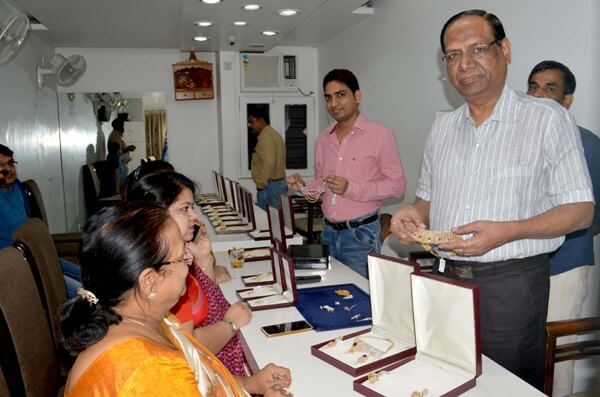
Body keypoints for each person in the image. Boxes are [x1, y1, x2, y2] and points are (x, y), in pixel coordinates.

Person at [390, 10, 594, 389]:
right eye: (452, 55)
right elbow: (426, 201)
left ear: (505, 50)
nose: (464, 64)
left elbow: (581, 211)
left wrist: (509, 231)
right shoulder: (443, 128)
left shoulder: (547, 119)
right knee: (447, 379)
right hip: (447, 280)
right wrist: (411, 214)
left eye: (477, 49)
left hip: (513, 287)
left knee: (508, 387)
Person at [59, 202, 292, 396]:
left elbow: (205, 383)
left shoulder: (148, 320)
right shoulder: (150, 371)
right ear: (149, 281)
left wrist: (252, 384)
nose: (189, 261)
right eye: (182, 257)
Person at [127, 171, 249, 376]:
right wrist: (231, 324)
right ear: (156, 216)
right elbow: (189, 347)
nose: (194, 216)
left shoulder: (179, 258)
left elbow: (205, 305)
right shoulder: (164, 276)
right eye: (185, 209)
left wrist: (205, 261)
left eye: (192, 207)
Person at [287, 69, 406, 278]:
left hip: (361, 235)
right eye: (328, 97)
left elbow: (397, 186)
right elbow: (321, 183)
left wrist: (351, 188)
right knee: (331, 293)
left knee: (362, 299)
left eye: (340, 95)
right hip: (328, 233)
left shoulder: (380, 135)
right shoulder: (323, 139)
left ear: (357, 96)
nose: (334, 103)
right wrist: (302, 187)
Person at [527, 60, 600, 396]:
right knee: (524, 355)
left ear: (567, 100)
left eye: (550, 88)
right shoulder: (519, 143)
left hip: (565, 268)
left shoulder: (587, 144)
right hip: (522, 269)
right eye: (533, 86)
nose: (538, 94)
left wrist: (565, 233)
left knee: (555, 360)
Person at [0, 144, 81, 299]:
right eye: (1, 165)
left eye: (10, 163)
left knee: (90, 278)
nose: (8, 169)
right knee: (82, 294)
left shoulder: (16, 188)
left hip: (36, 253)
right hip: (17, 265)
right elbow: (18, 226)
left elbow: (27, 224)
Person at [248, 106, 288, 210]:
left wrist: (260, 185)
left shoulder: (266, 137)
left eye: (252, 122)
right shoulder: (273, 134)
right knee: (277, 223)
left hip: (270, 187)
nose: (250, 125)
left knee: (267, 223)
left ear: (261, 120)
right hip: (275, 186)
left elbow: (268, 162)